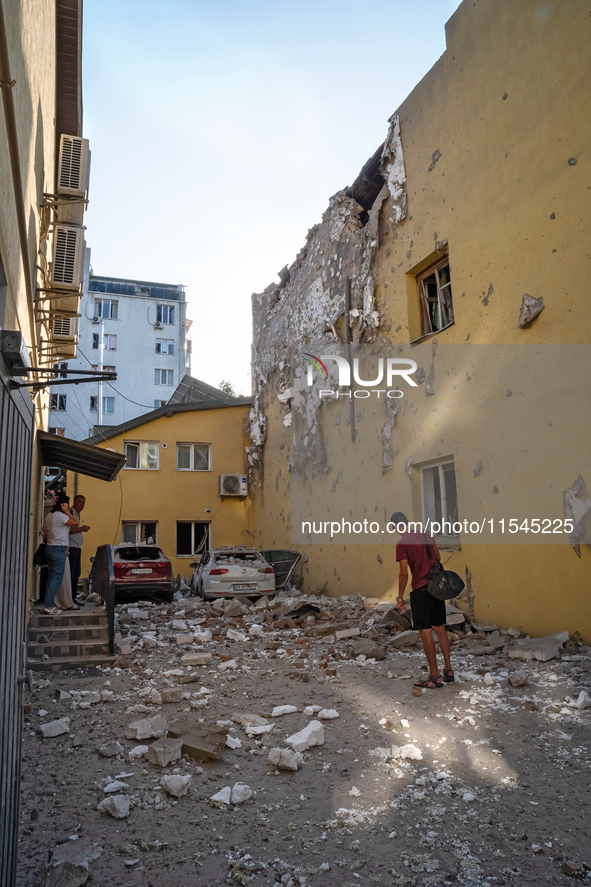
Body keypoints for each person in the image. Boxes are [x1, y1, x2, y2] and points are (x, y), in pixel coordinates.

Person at [392, 511, 454, 689]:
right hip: (437, 588)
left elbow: (404, 572)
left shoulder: (402, 544)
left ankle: (434, 676)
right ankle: (448, 669)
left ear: (396, 526)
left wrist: (400, 597)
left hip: (420, 589)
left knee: (425, 631)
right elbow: (438, 558)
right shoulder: (426, 533)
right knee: (440, 627)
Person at [43, 493, 80, 614]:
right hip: (58, 549)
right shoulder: (61, 516)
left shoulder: (49, 515)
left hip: (50, 547)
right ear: (63, 504)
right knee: (56, 579)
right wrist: (67, 512)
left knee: (51, 578)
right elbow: (76, 523)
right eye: (67, 504)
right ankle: (48, 606)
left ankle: (51, 603)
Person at [68, 494, 90, 605]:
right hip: (71, 547)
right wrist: (82, 529)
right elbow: (70, 530)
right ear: (74, 502)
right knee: (71, 573)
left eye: (83, 503)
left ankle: (73, 597)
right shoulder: (70, 513)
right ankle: (69, 598)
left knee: (76, 573)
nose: (81, 505)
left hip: (77, 547)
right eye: (79, 502)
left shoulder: (77, 515)